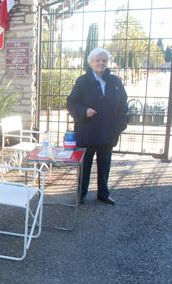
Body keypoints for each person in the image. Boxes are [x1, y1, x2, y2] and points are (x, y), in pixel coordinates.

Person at [66, 47, 128, 205]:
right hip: (87, 132)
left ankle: (103, 194)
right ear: (91, 62)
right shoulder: (82, 81)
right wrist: (84, 111)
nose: (101, 63)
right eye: (97, 60)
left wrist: (121, 124)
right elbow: (71, 103)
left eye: (104, 60)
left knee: (105, 164)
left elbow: (123, 104)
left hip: (108, 132)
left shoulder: (115, 81)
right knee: (84, 166)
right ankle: (81, 194)